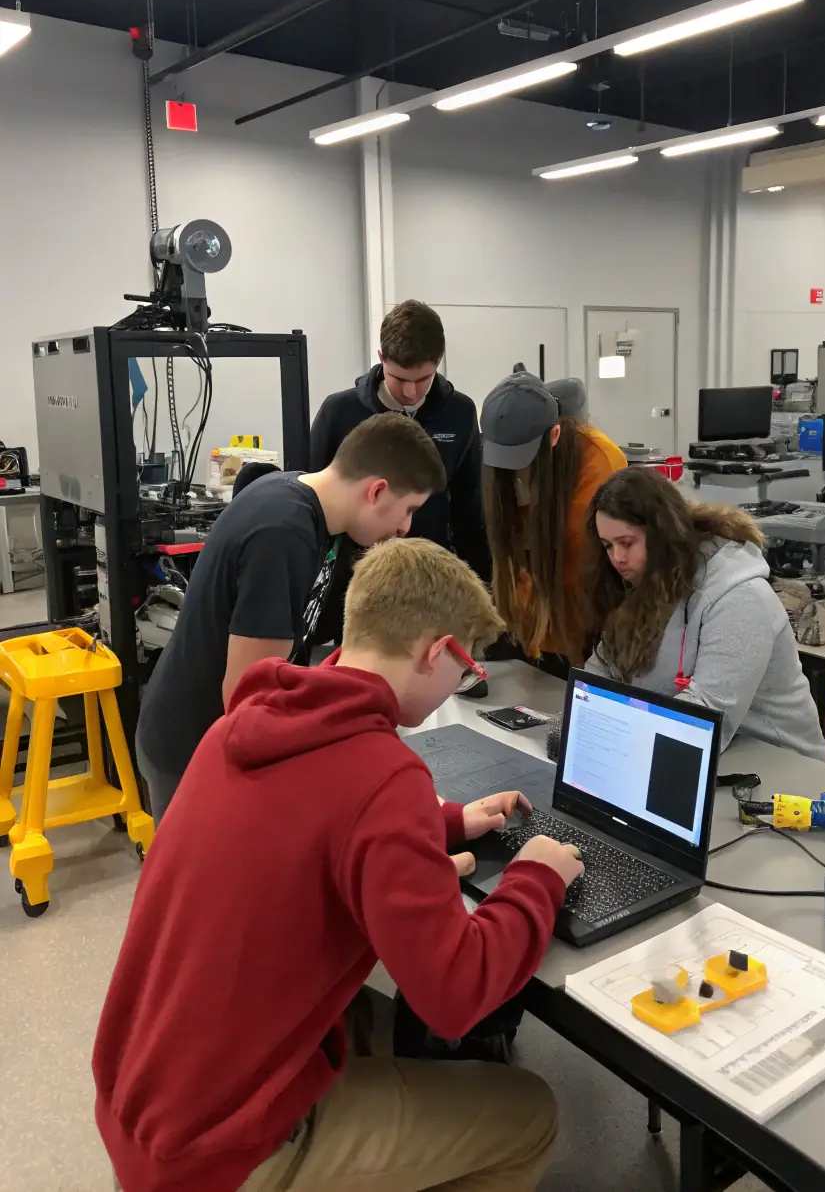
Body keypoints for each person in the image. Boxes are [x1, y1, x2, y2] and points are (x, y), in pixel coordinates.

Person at [95, 537, 582, 1192]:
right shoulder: (384, 776)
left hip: (142, 1099)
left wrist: (443, 821)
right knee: (531, 1114)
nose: (460, 683)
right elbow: (456, 994)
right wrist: (538, 876)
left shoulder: (242, 727)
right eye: (464, 667)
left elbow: (313, 820)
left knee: (377, 1020)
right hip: (218, 1152)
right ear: (436, 651)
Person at [135, 412, 446, 823]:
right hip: (195, 750)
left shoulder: (309, 508)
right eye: (408, 509)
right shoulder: (283, 533)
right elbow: (247, 701)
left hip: (206, 735)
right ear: (377, 491)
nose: (406, 527)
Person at [582, 467, 825, 758]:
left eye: (626, 543)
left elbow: (702, 718)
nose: (617, 558)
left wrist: (607, 738)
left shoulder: (740, 597)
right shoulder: (645, 583)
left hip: (781, 768)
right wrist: (579, 725)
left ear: (661, 533)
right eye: (608, 546)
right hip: (706, 760)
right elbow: (600, 673)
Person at [309, 300, 490, 580]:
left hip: (431, 575)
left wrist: (481, 586)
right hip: (352, 578)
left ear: (439, 361)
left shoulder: (460, 413)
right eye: (399, 378)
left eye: (423, 379)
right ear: (381, 358)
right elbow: (314, 500)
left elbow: (469, 513)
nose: (410, 392)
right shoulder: (338, 412)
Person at [481, 371, 626, 669]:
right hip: (528, 629)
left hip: (583, 632)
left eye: (523, 459)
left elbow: (593, 564)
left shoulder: (601, 462)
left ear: (554, 435)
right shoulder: (497, 468)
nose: (514, 473)